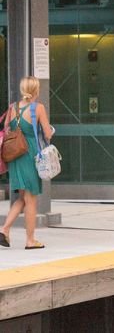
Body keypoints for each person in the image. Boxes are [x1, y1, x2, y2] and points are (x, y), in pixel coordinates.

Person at [0, 76, 54, 249]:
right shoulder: (38, 108)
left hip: (15, 156)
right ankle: (30, 240)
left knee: (22, 198)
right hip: (29, 155)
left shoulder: (12, 108)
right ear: (35, 90)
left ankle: (4, 230)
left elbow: (8, 130)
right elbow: (47, 133)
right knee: (31, 199)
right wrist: (50, 130)